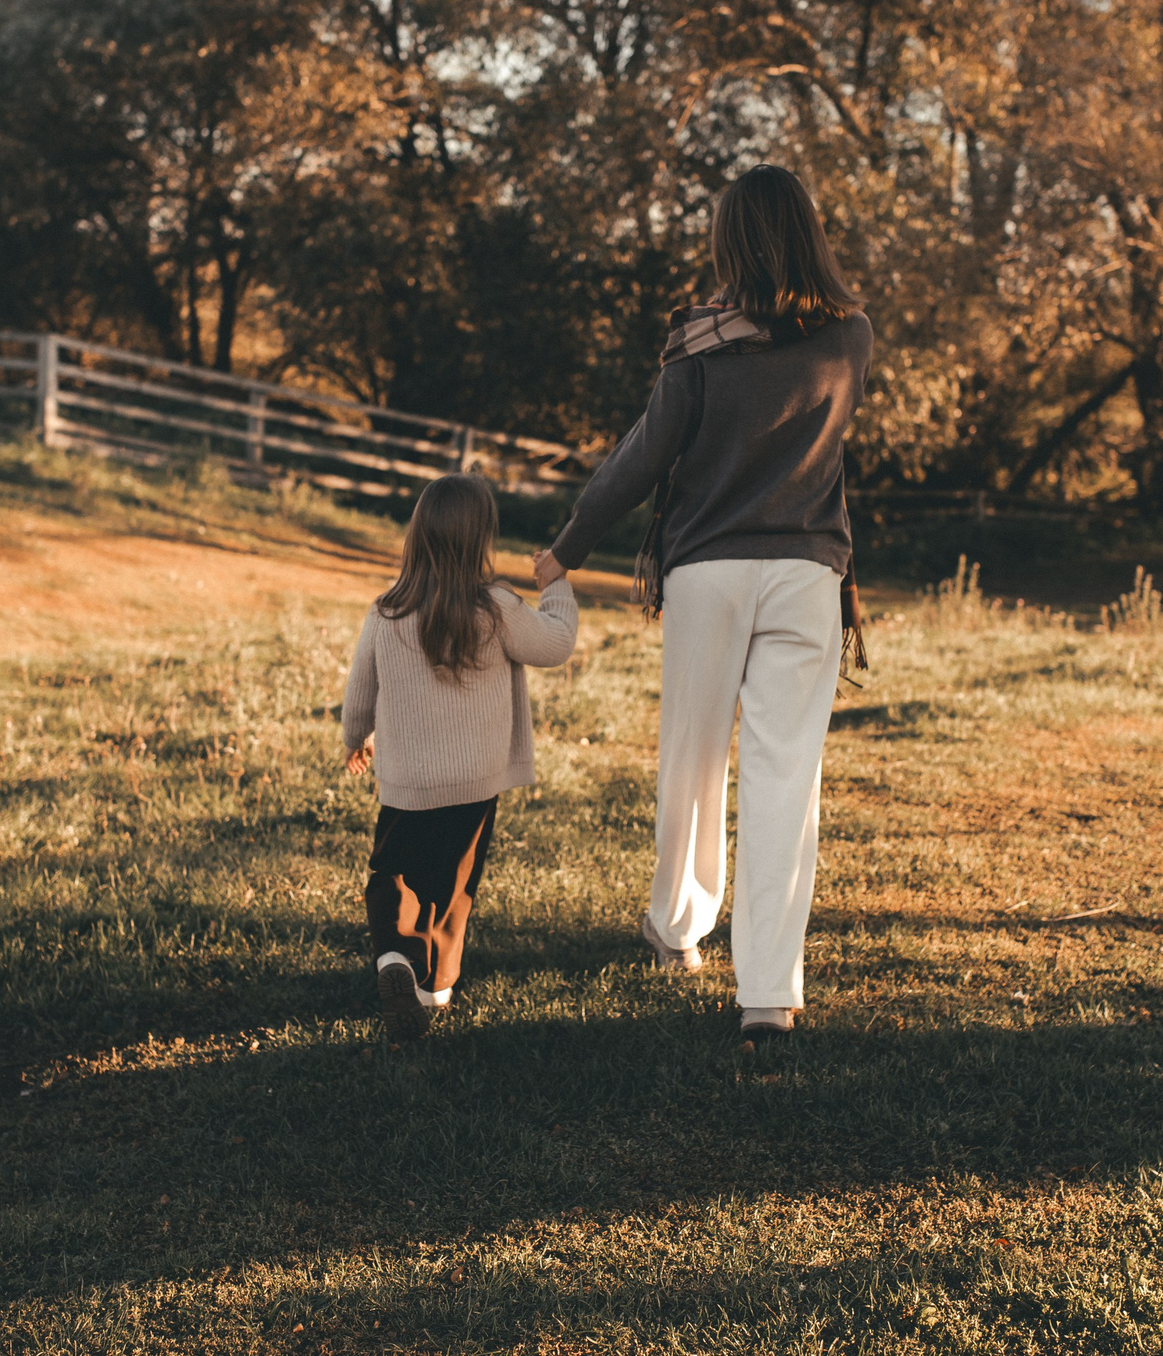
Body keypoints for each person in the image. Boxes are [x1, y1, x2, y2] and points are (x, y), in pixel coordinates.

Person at [531, 163, 871, 1043]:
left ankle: (679, 928)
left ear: (729, 241)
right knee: (785, 781)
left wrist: (565, 549)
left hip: (708, 571)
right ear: (810, 232)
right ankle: (768, 993)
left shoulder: (698, 343)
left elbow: (644, 458)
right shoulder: (851, 338)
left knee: (691, 758)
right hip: (808, 576)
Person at [342, 472, 578, 1043]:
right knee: (453, 887)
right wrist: (558, 584)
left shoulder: (387, 611)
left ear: (417, 536)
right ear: (481, 539)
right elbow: (557, 643)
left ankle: (395, 959)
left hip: (407, 783)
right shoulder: (496, 607)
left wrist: (357, 738)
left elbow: (360, 690)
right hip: (474, 783)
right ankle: (435, 988)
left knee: (394, 875)